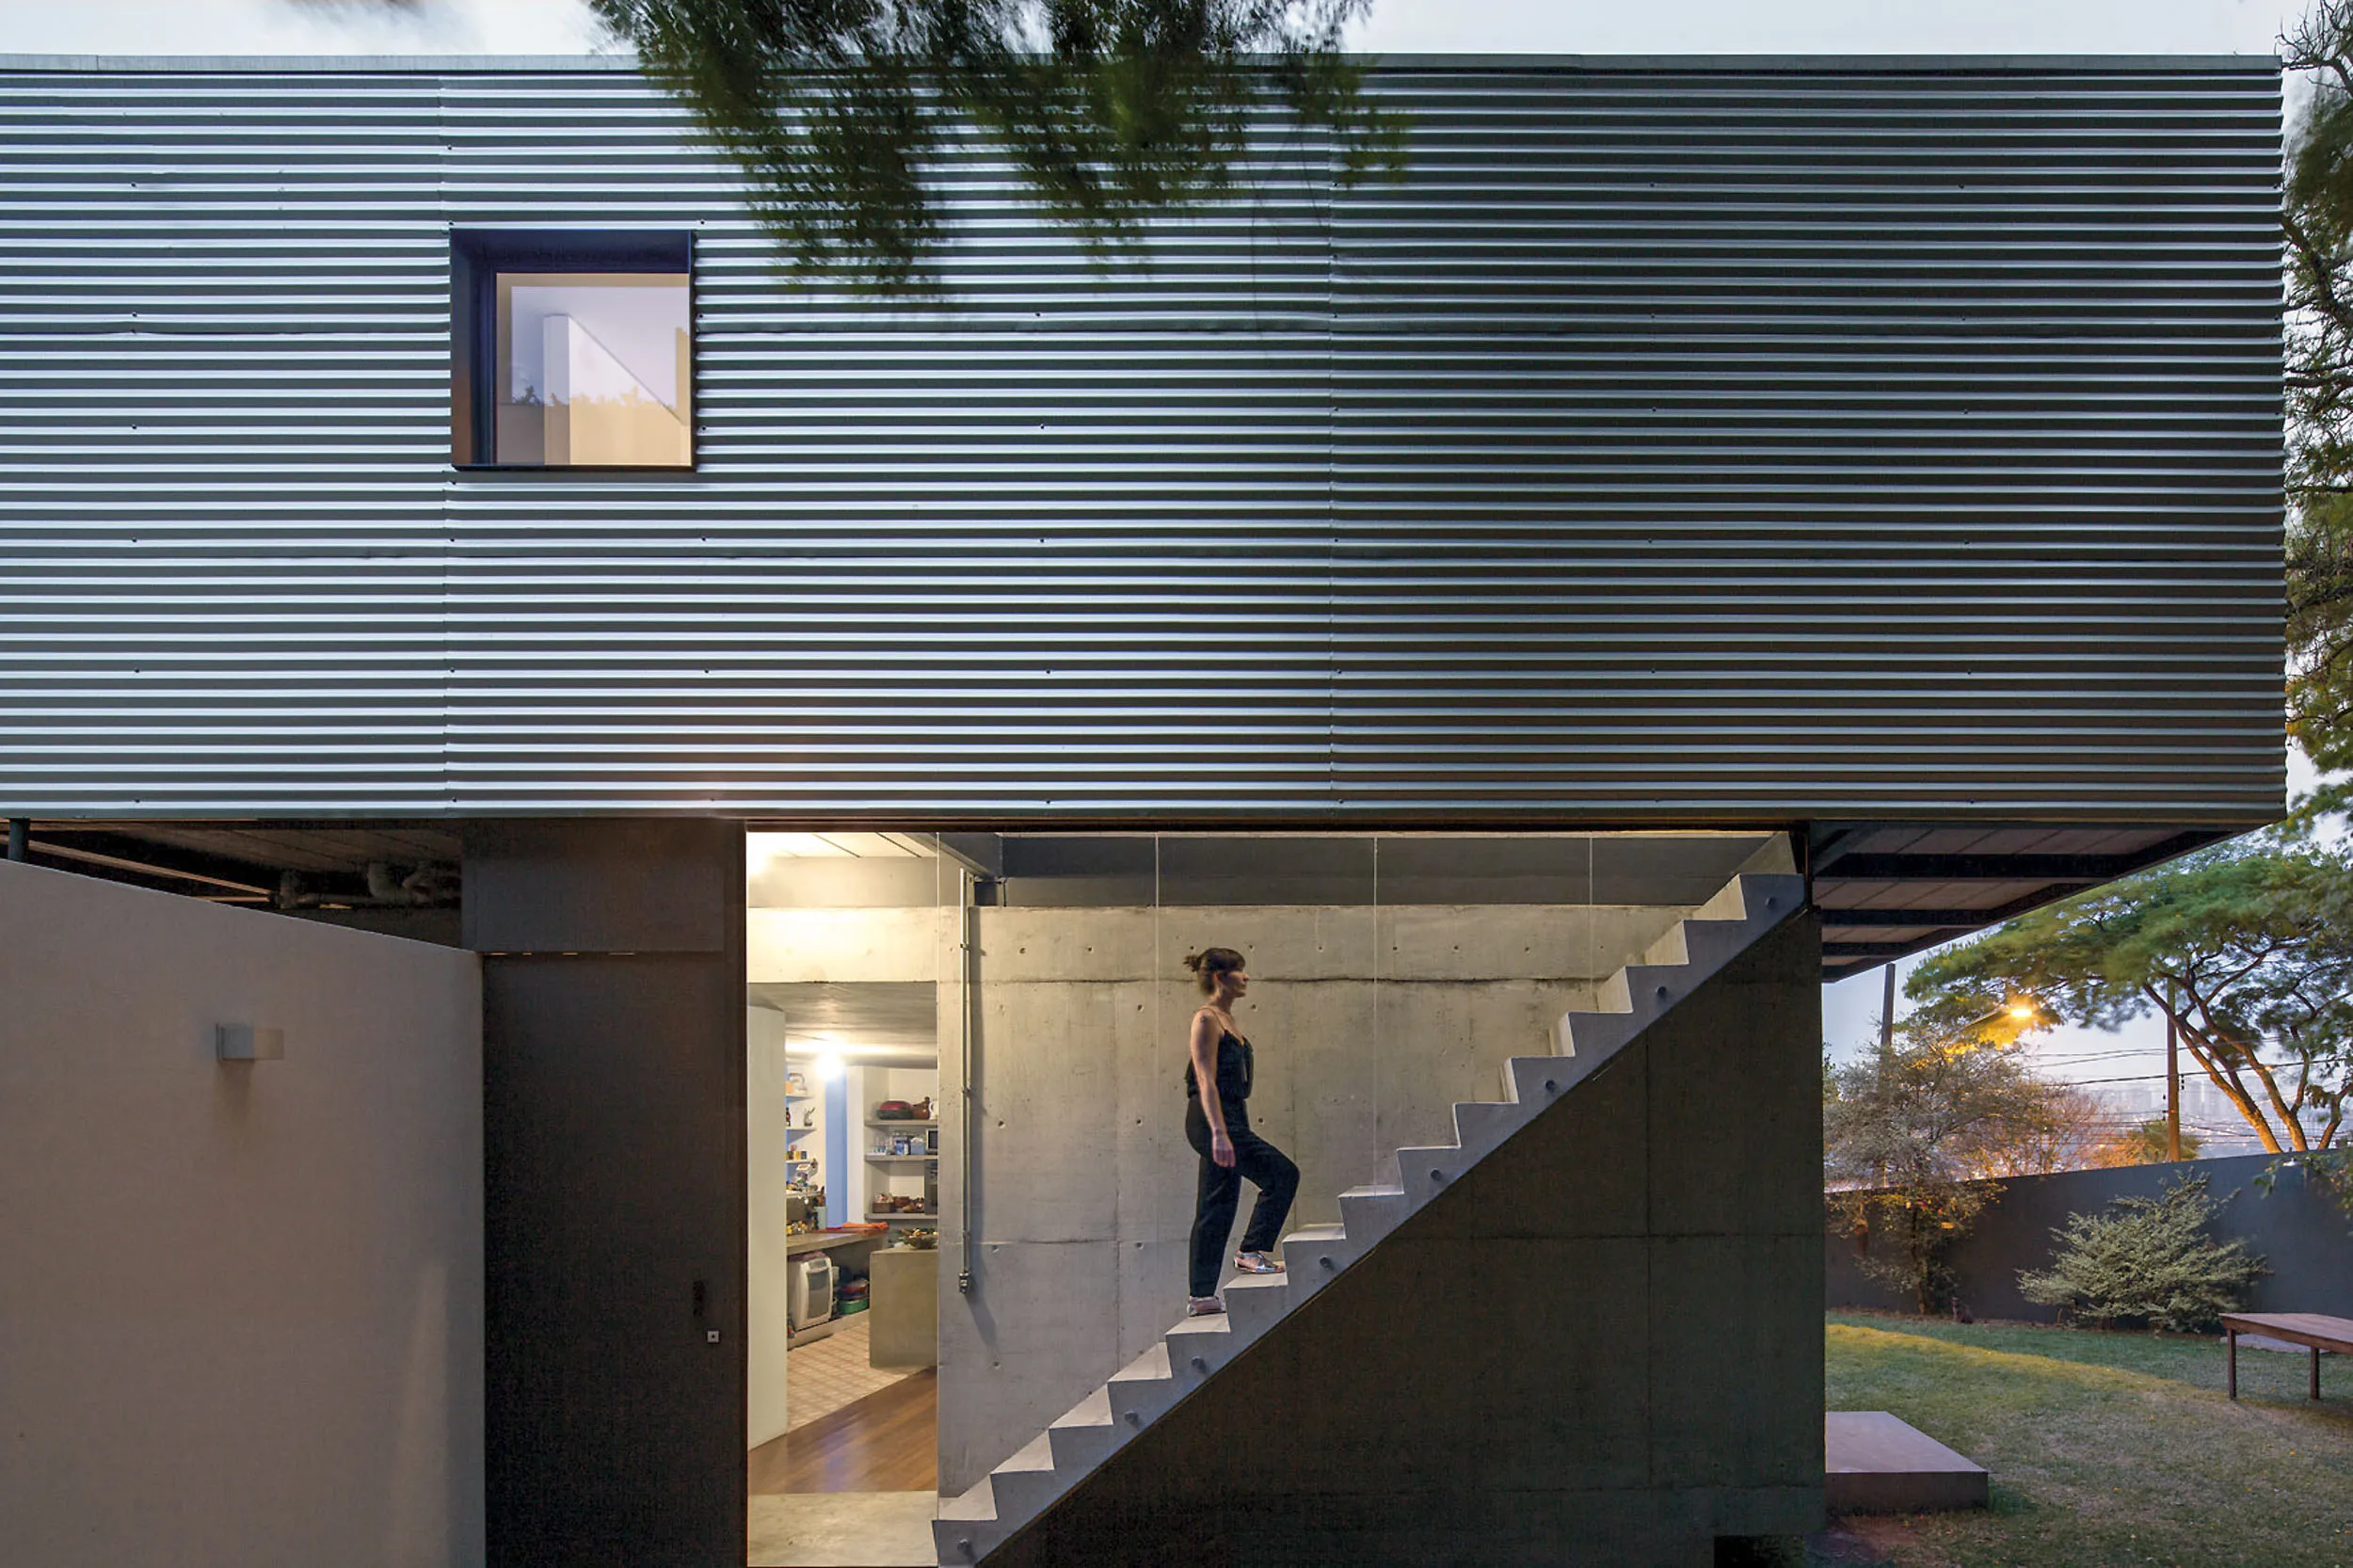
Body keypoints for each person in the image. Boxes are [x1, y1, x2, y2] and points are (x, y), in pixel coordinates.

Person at [1180, 946, 1299, 1317]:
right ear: (1221, 977)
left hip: (1233, 1115)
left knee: (1216, 1206)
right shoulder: (1206, 1020)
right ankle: (1250, 1251)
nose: (1246, 977)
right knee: (1282, 1173)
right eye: (1239, 971)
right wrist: (1219, 1133)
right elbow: (1204, 1080)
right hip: (1212, 1117)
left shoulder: (1227, 1019)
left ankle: (1201, 1297)